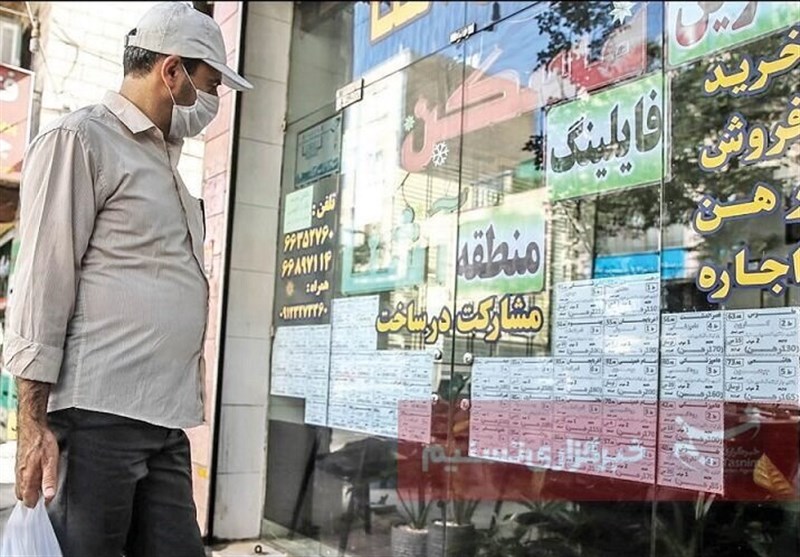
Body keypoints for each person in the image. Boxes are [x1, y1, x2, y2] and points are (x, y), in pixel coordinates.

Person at [1, 3, 252, 556]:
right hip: (96, 420)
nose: (212, 102)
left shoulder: (165, 161)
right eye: (210, 85)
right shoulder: (81, 139)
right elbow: (42, 284)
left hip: (164, 420)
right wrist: (32, 424)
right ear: (172, 71)